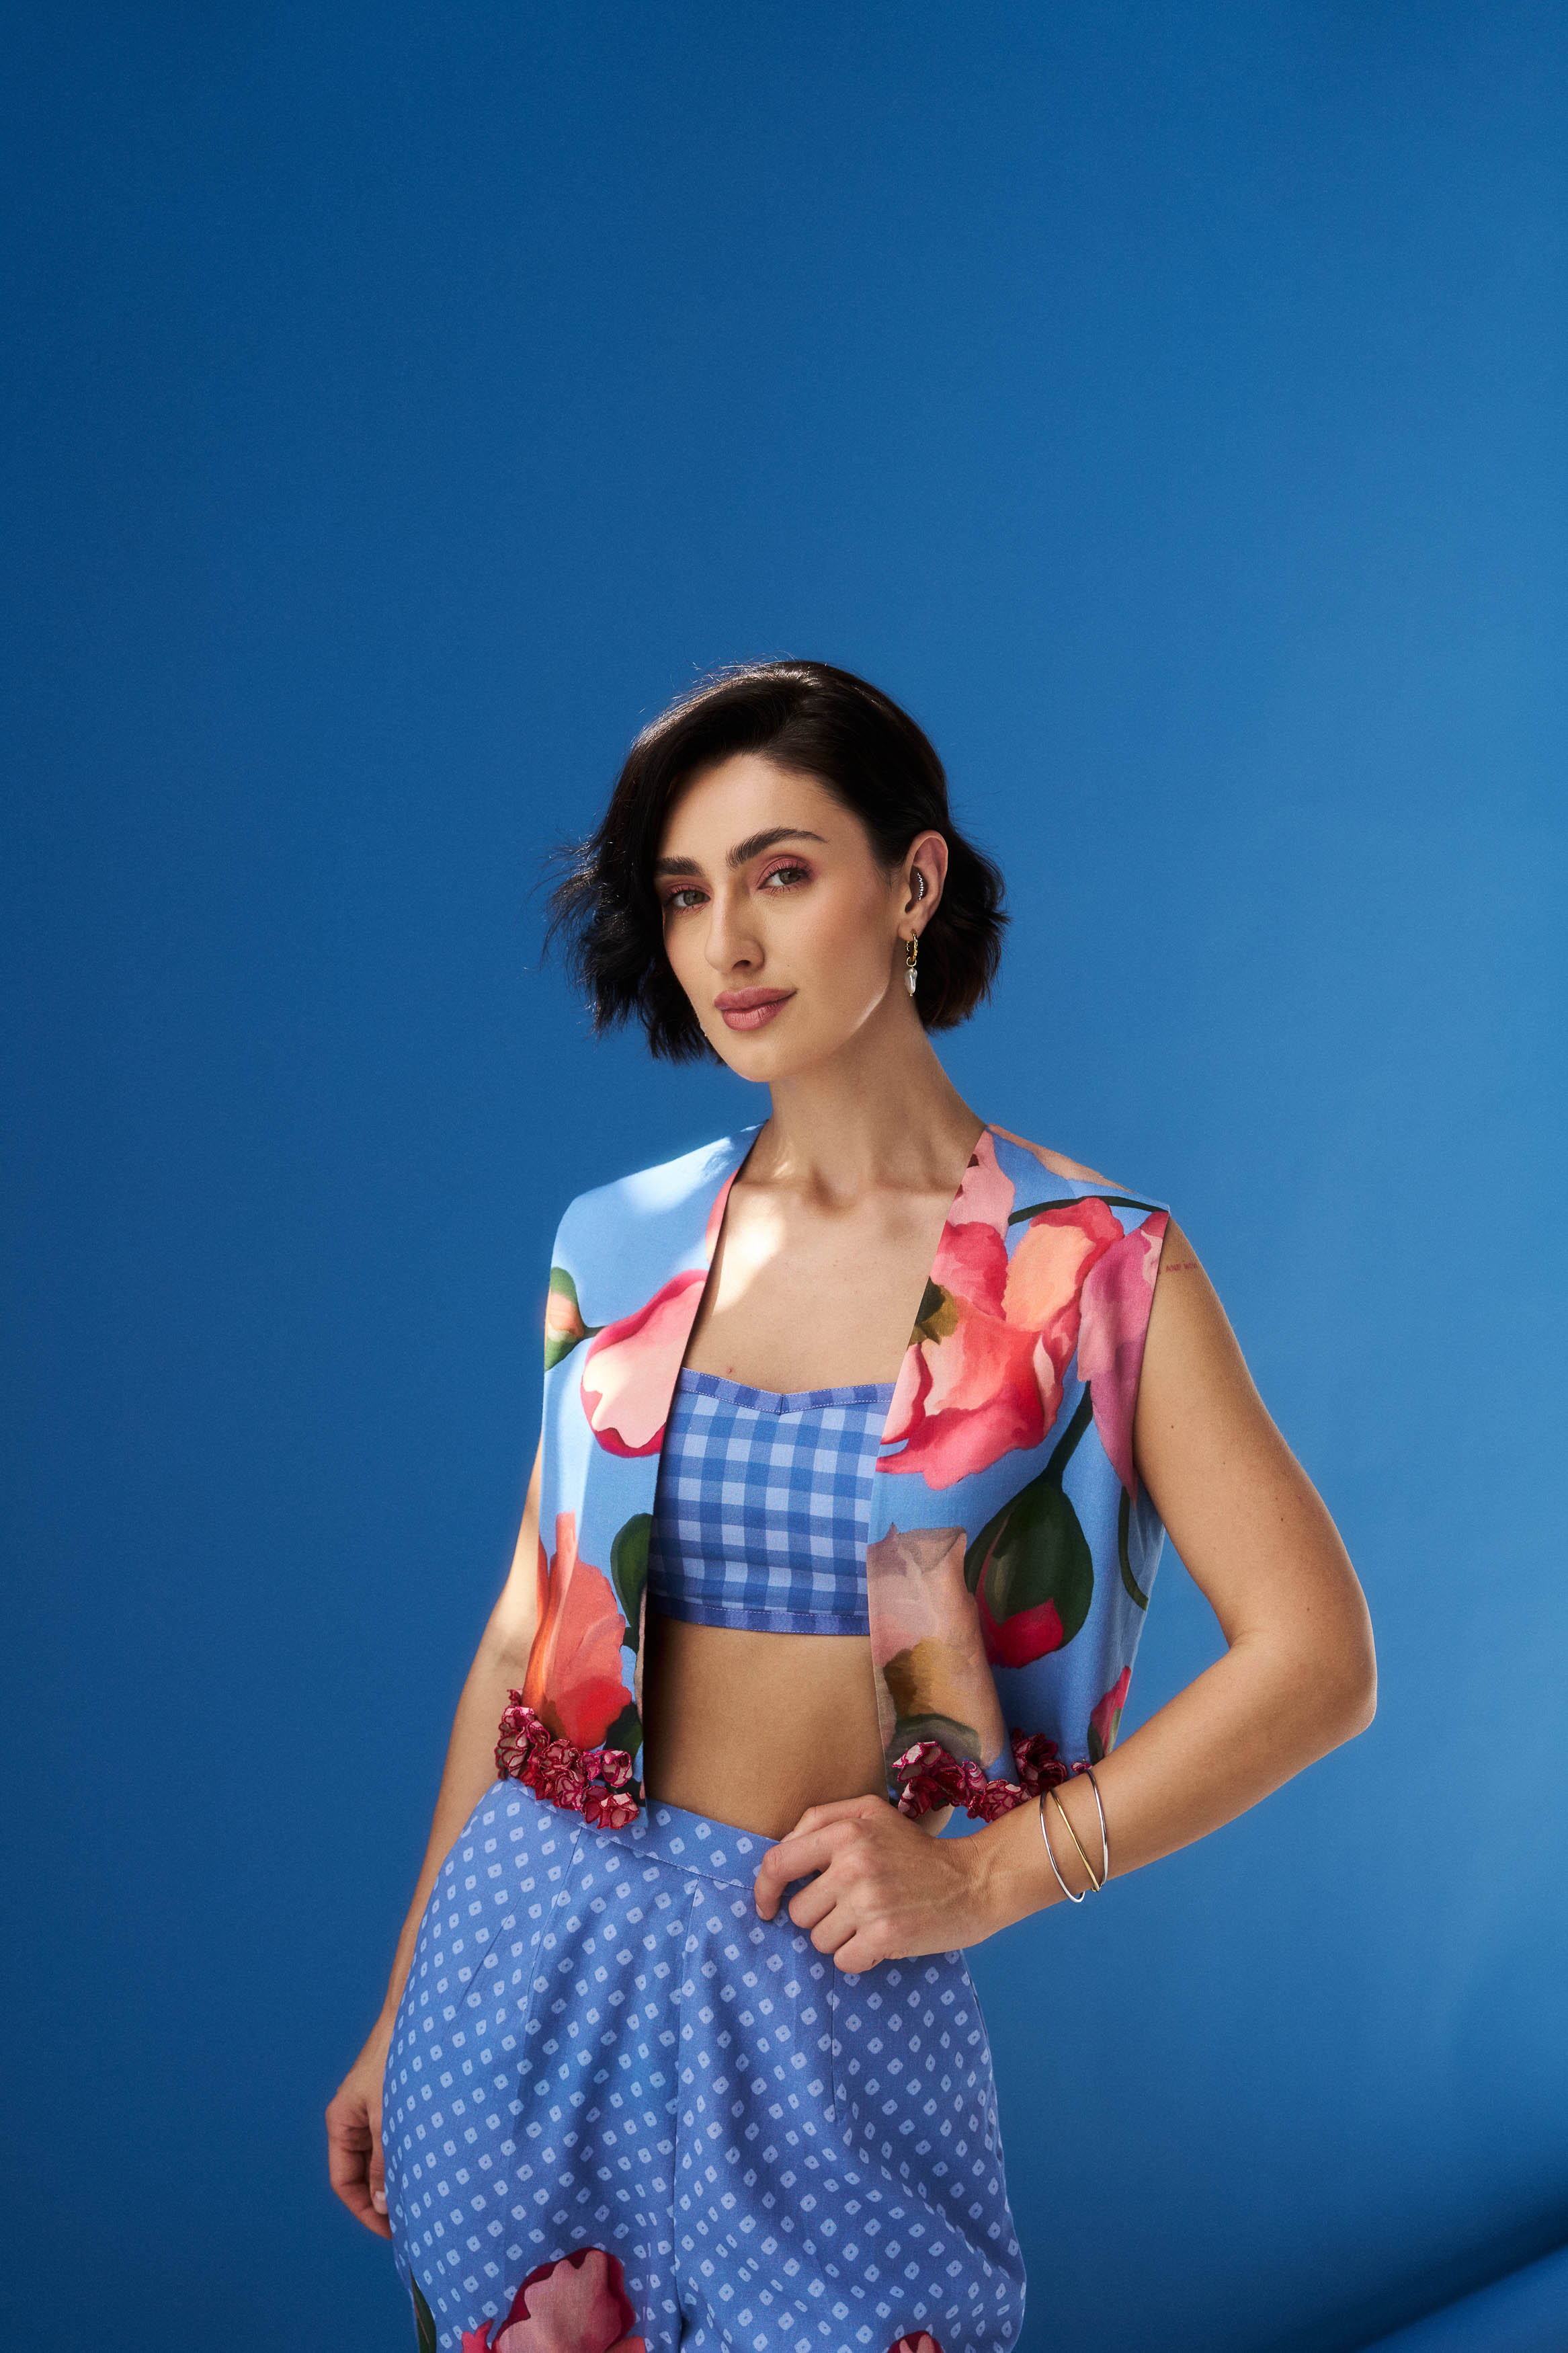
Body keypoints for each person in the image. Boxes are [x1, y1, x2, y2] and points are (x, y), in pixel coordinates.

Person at [327, 660, 1376, 2353]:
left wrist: (996, 1877)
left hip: (828, 2003)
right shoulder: (619, 1241)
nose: (728, 943)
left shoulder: (1091, 1266)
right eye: (687, 894)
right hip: (520, 1968)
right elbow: (526, 1637)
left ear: (913, 882)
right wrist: (399, 2004)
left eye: (782, 872)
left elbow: (1319, 1660)